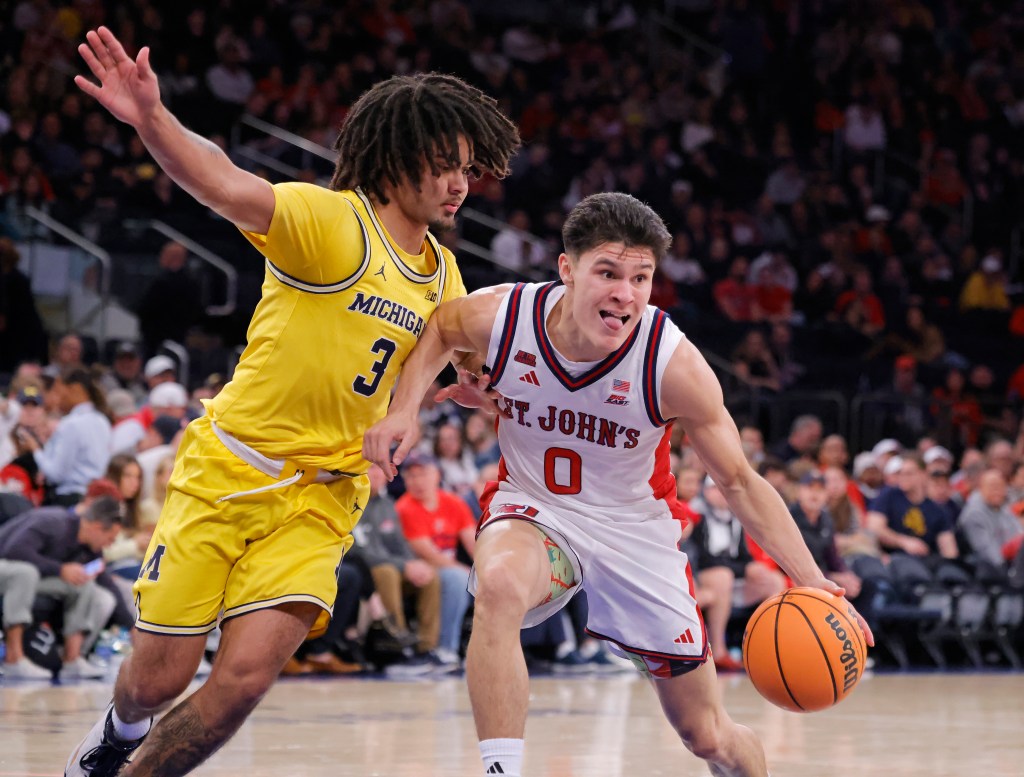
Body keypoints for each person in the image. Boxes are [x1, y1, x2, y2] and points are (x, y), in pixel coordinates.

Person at [65, 25, 519, 777]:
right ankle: (120, 727)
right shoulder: (333, 224)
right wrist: (153, 120)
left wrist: (476, 392)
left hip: (322, 497)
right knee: (158, 679)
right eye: (444, 164)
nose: (458, 183)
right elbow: (222, 180)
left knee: (243, 680)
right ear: (396, 155)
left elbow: (455, 365)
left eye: (467, 168)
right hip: (230, 470)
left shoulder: (444, 275)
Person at [365, 192, 871, 777]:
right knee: (499, 584)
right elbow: (442, 327)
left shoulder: (671, 364)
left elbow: (737, 479)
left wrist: (813, 582)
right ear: (567, 269)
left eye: (641, 277)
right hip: (538, 508)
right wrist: (408, 407)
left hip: (636, 533)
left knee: (707, 736)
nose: (624, 293)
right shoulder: (503, 316)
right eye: (607, 272)